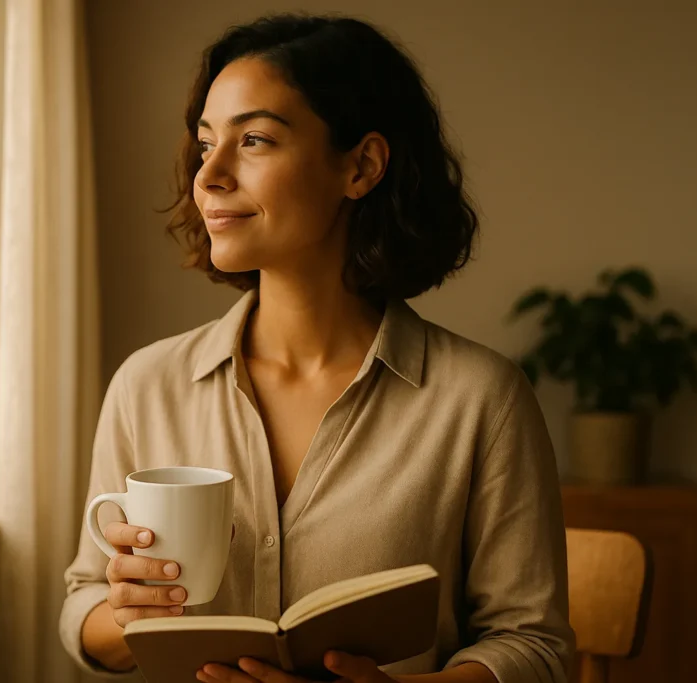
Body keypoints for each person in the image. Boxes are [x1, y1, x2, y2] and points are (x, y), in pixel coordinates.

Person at [61, 12, 573, 683]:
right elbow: (83, 603)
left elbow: (534, 645)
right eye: (205, 142)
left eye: (254, 141)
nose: (208, 175)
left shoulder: (482, 400)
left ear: (361, 166)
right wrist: (127, 616)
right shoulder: (146, 384)